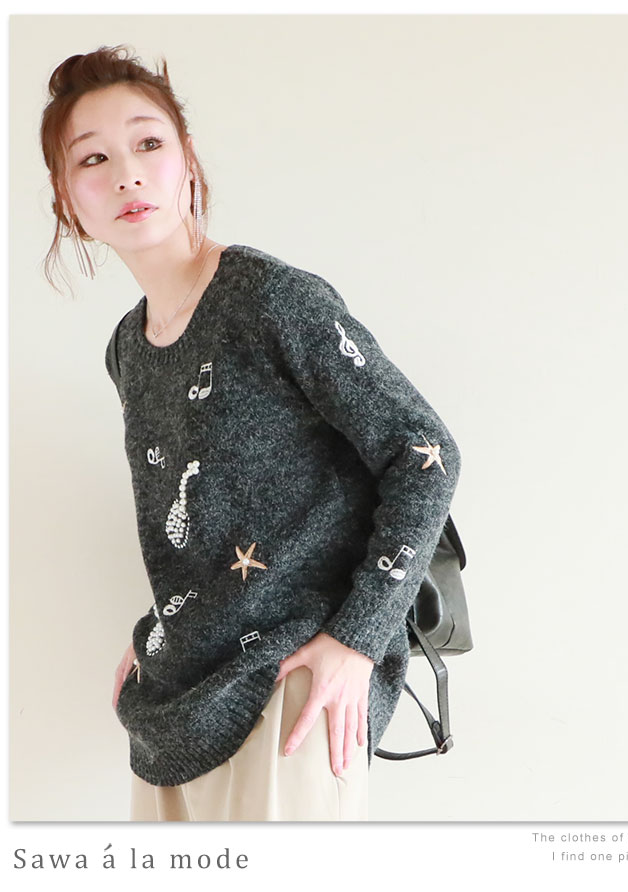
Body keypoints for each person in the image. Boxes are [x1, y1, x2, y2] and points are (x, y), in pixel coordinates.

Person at [39, 44, 461, 822]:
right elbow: (192, 520)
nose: (127, 174)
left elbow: (425, 455)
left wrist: (358, 638)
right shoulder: (127, 349)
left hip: (293, 690)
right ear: (68, 200)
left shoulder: (271, 300)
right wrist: (164, 629)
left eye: (148, 143)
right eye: (93, 158)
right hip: (176, 703)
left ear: (188, 162)